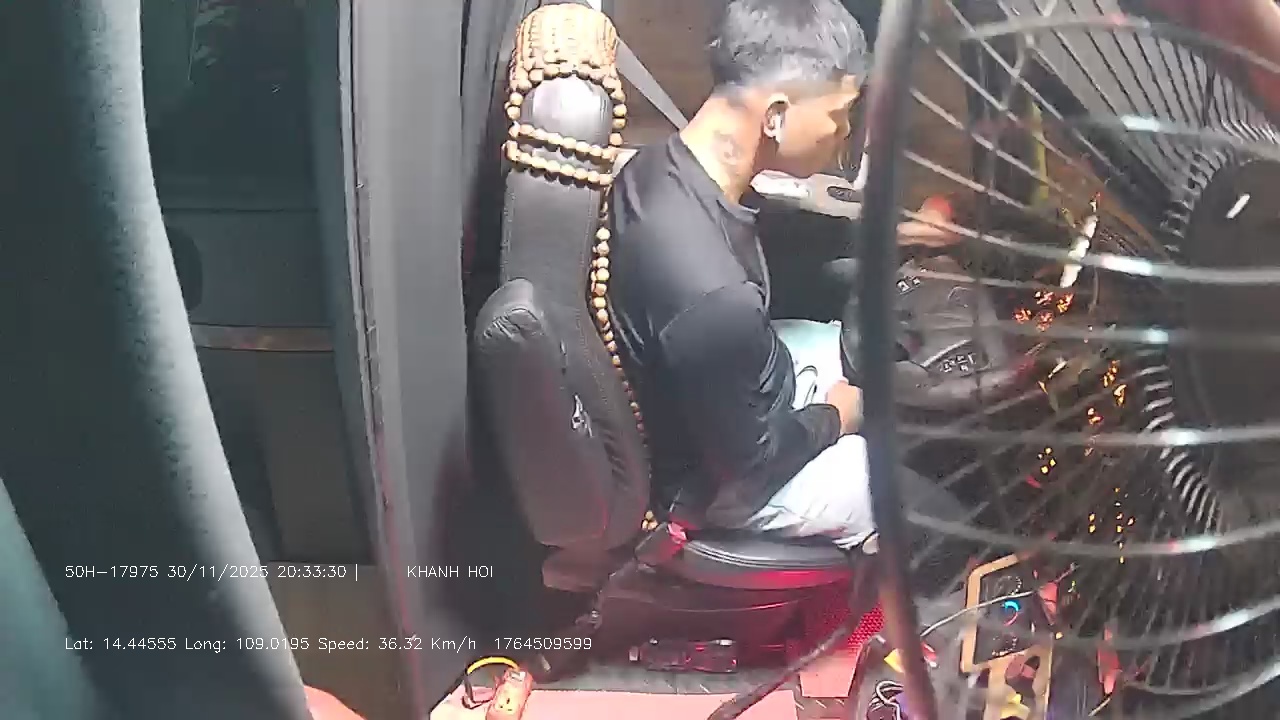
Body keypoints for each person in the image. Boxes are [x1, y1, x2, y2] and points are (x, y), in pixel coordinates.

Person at [609, 0, 963, 553]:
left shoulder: (659, 169)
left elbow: (781, 230)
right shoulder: (714, 293)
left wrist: (899, 234)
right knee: (937, 518)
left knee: (877, 367)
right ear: (775, 116)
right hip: (721, 482)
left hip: (729, 399)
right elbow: (750, 465)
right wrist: (834, 416)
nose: (846, 131)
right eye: (841, 113)